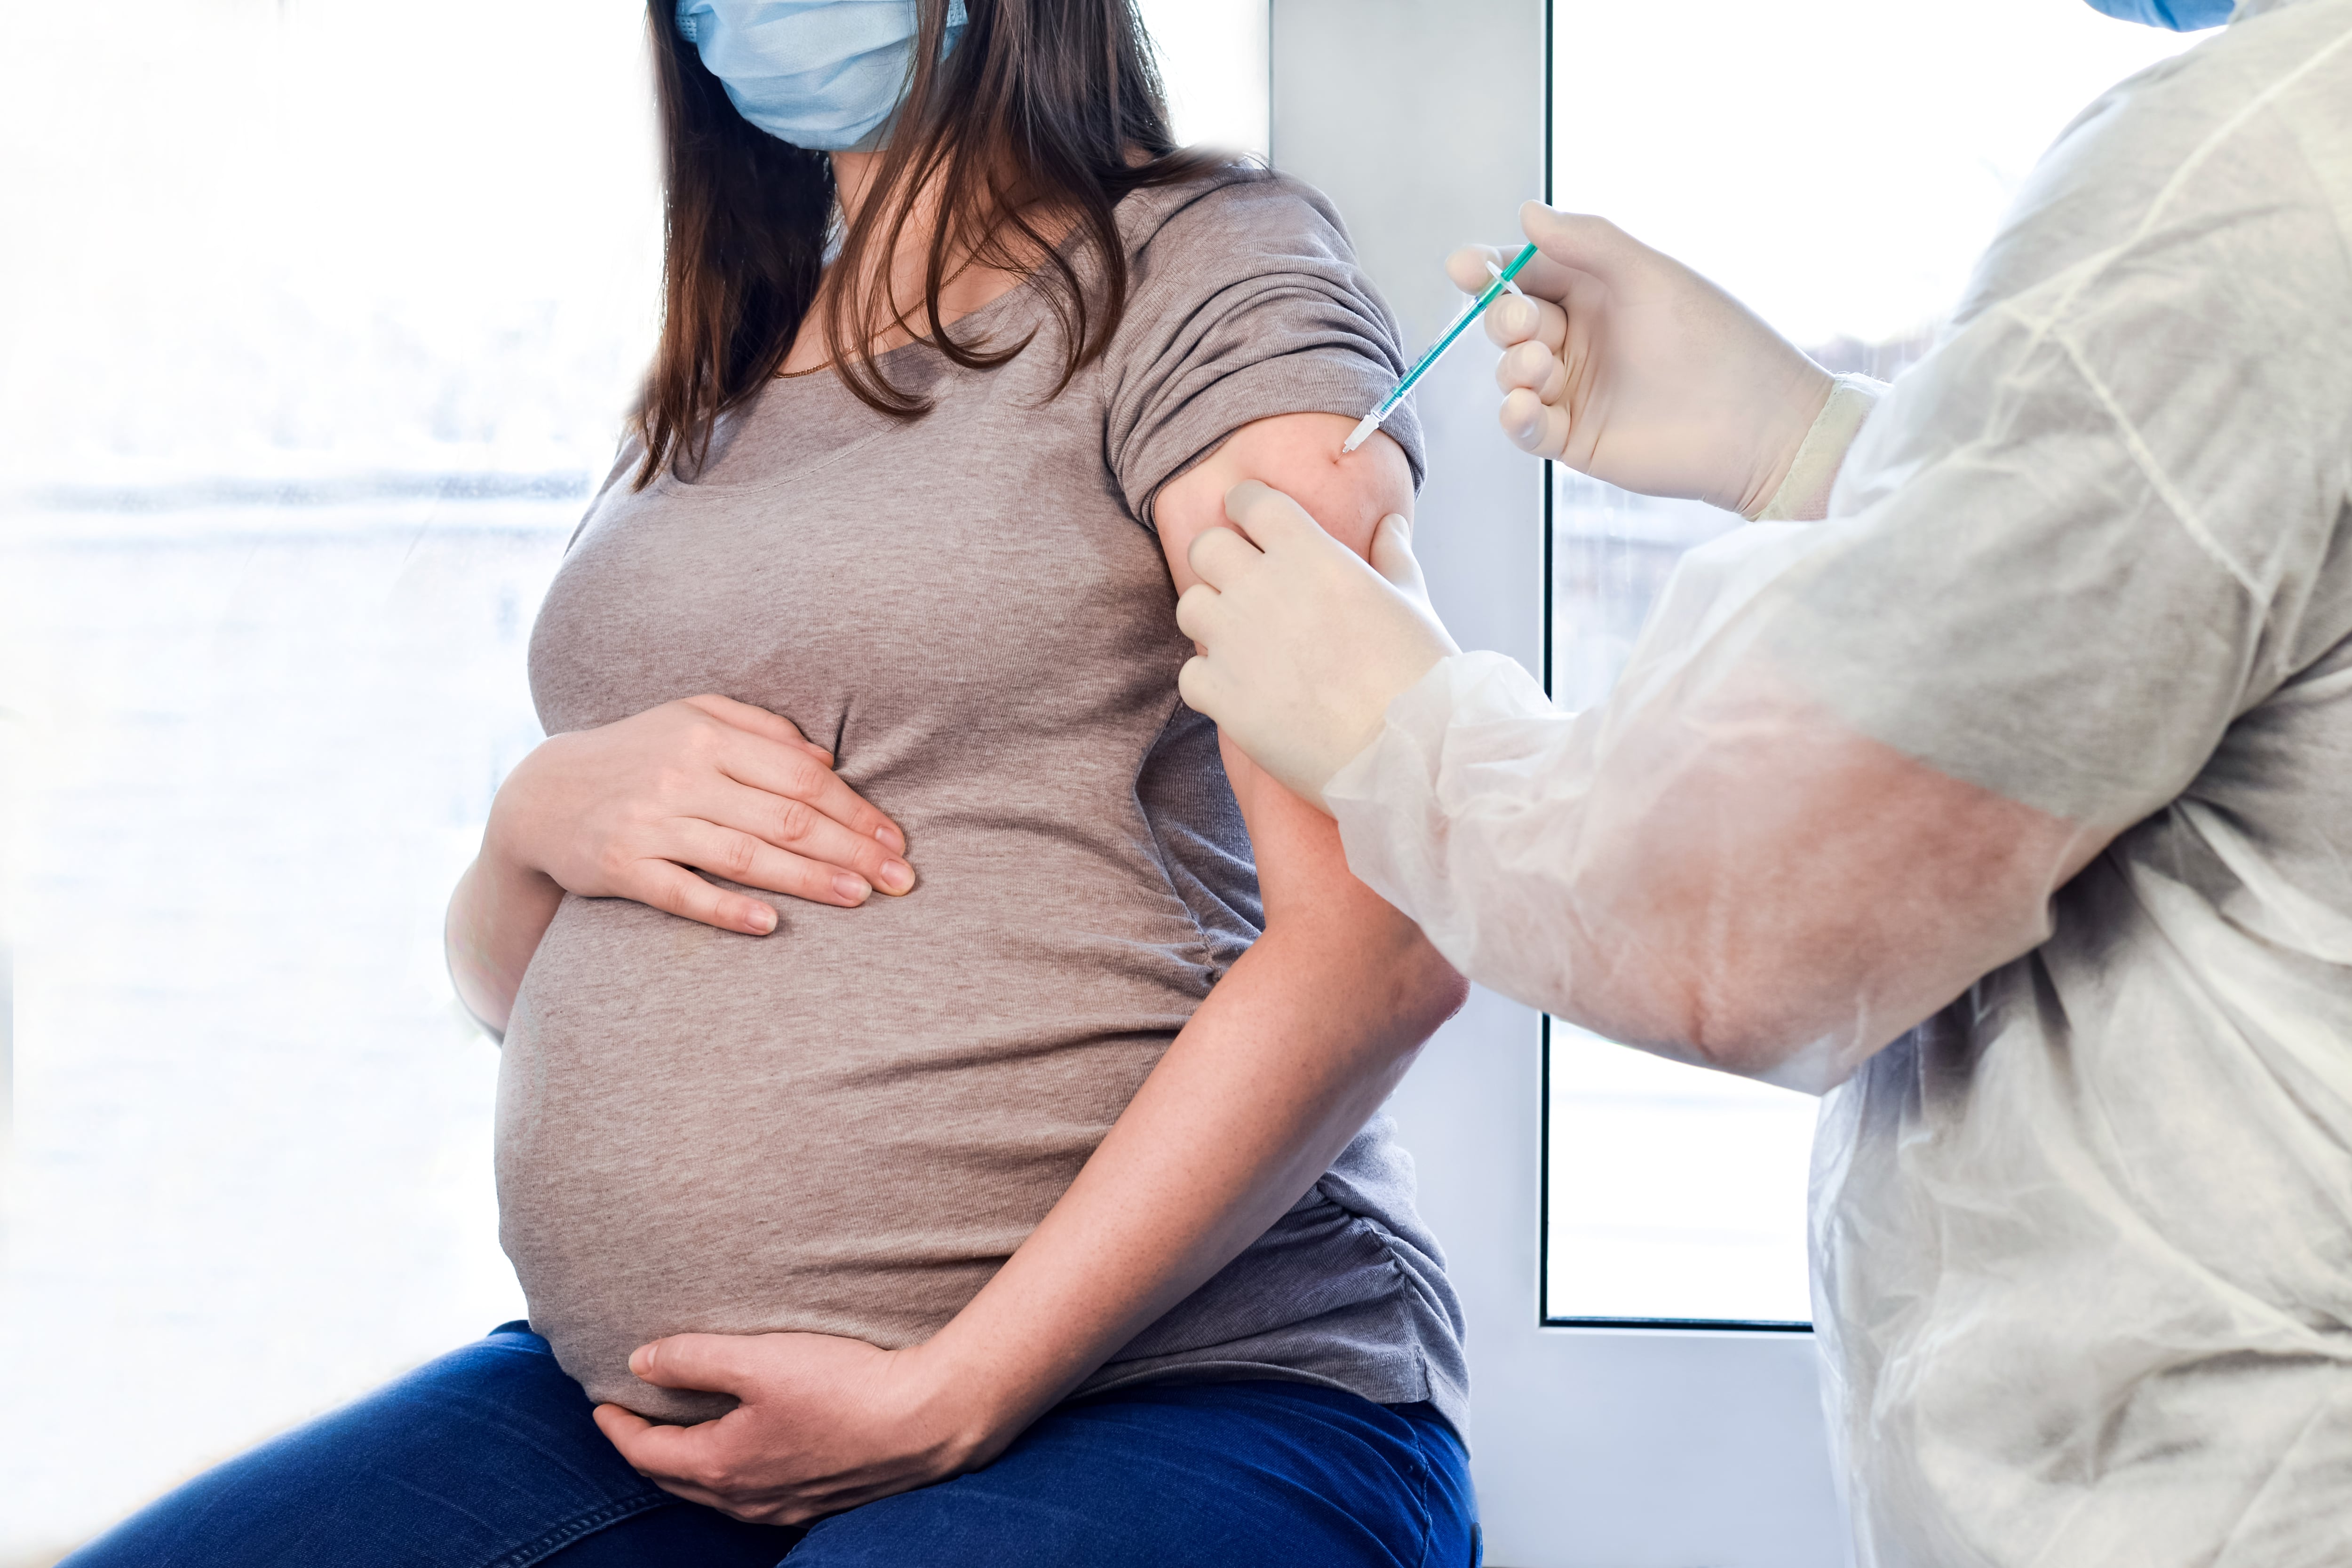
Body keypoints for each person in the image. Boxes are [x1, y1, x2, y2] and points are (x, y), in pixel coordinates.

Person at [64, 2, 1481, 1564]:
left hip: (1180, 1387)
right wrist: (532, 829)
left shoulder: (1209, 268)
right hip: (638, 1415)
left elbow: (1387, 937)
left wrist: (954, 1392)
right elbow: (509, 984)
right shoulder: (733, 350)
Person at [1175, 0, 2352, 1562]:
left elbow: (1739, 912)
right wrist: (1819, 446)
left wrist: (1410, 736)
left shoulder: (2263, 170)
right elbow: (2194, 600)